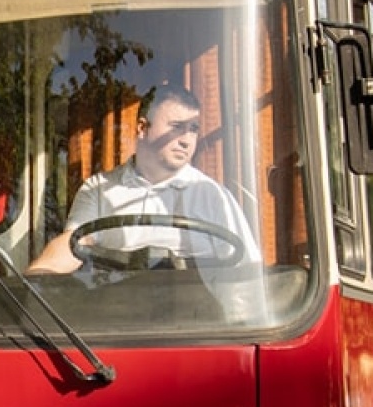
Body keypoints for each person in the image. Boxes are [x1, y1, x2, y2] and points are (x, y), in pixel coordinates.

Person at [27, 84, 261, 278]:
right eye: (177, 127)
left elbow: (246, 276)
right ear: (142, 128)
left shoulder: (213, 196)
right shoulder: (99, 190)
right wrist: (33, 284)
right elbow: (73, 246)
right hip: (119, 321)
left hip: (195, 324)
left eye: (193, 129)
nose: (186, 140)